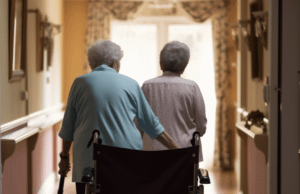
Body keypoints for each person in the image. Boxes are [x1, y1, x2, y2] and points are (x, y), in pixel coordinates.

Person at [58, 40, 180, 194]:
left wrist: (64, 157)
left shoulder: (79, 83)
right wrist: (178, 151)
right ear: (114, 62)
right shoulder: (130, 84)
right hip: (124, 160)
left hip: (87, 161)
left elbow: (68, 127)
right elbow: (152, 125)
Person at [138, 41, 207, 162]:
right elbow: (201, 128)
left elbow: (138, 125)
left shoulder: (147, 86)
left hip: (151, 154)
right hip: (184, 154)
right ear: (184, 65)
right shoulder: (192, 87)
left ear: (161, 63)